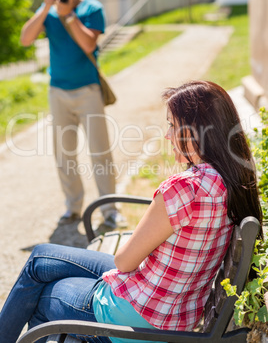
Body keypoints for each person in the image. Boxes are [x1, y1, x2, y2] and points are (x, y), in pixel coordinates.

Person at [0, 81, 263, 343]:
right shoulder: (233, 178)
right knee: (40, 258)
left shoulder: (185, 188)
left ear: (198, 131)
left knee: (44, 293)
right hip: (178, 309)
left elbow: (124, 262)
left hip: (139, 318)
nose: (167, 135)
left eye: (173, 125)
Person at [20, 0, 125, 231]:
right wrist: (46, 8)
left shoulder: (92, 9)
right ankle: (73, 207)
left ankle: (110, 210)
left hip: (88, 90)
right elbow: (25, 39)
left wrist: (68, 16)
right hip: (58, 91)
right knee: (64, 154)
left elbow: (89, 43)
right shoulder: (49, 12)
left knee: (100, 152)